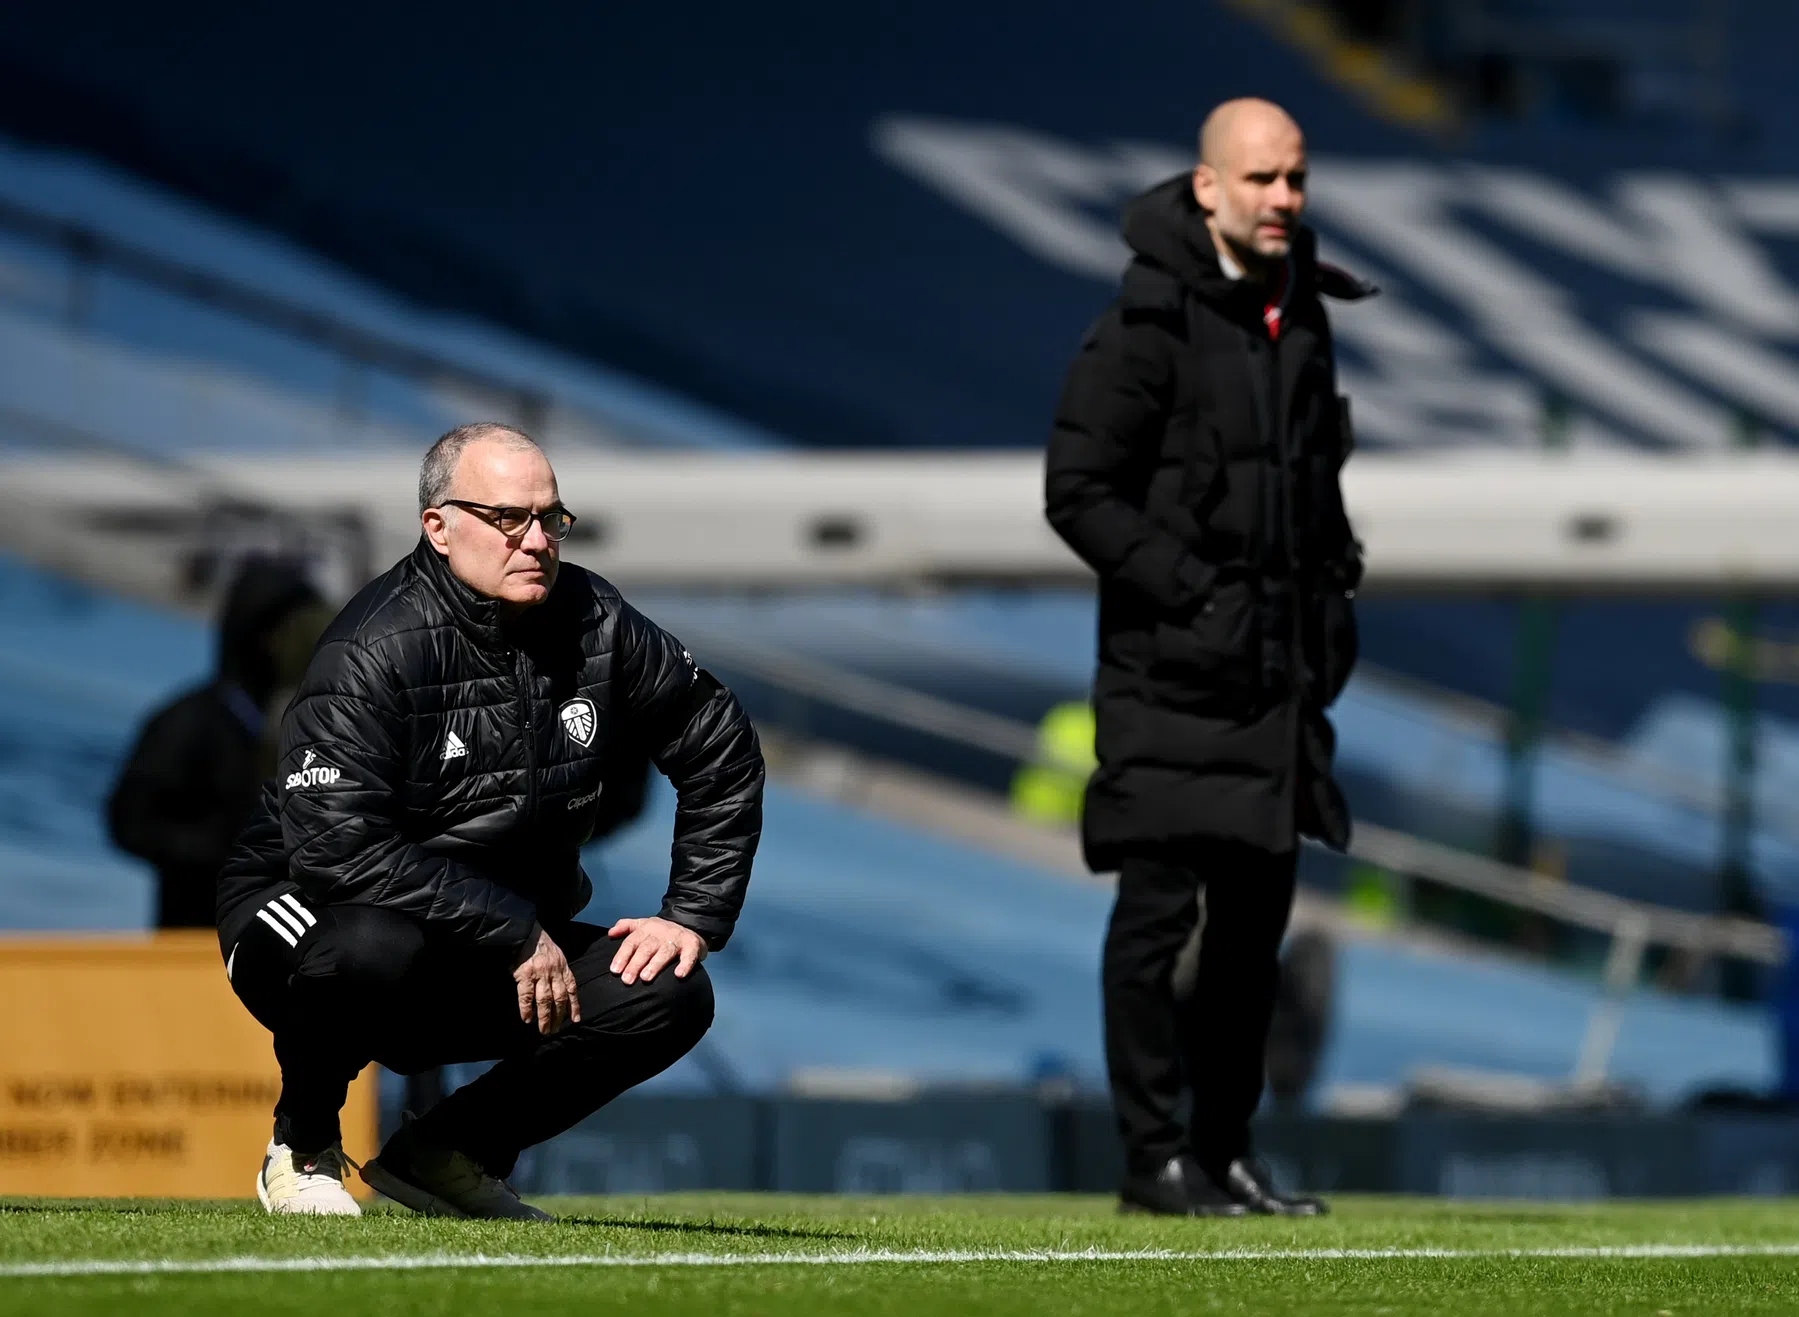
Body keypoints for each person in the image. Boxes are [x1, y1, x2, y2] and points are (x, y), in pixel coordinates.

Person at [215, 422, 764, 1218]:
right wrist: (513, 928)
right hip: (305, 908)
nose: (535, 539)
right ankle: (300, 1146)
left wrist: (692, 914)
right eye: (508, 517)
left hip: (490, 941)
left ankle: (448, 1152)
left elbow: (719, 743)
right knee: (371, 942)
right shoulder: (372, 648)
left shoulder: (597, 621)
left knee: (668, 993)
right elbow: (338, 848)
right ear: (437, 526)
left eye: (550, 517)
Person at [1043, 98, 1372, 1217]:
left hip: (1274, 686)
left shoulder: (1302, 317)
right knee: (1155, 924)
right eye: (1262, 179)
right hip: (1171, 681)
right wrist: (1193, 599)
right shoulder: (1143, 323)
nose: (1283, 199)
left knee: (1250, 939)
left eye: (1295, 178)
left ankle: (1225, 1152)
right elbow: (1075, 492)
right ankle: (1152, 1160)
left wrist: (1330, 601)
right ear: (1206, 188)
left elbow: (1308, 490)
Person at [108, 558, 324, 928]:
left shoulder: (302, 726)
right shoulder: (189, 723)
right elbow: (129, 821)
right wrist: (224, 849)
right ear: (263, 637)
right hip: (193, 942)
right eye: (295, 631)